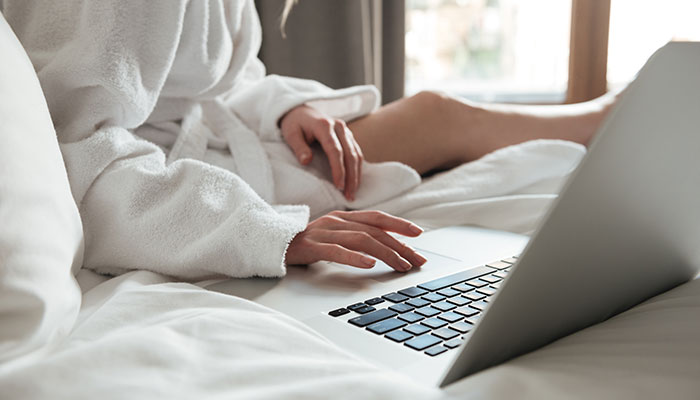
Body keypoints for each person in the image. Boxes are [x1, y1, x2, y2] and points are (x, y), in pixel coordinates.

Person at [1, 0, 617, 279]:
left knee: (435, 116)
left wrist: (284, 106)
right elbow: (74, 160)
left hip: (225, 144)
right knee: (437, 117)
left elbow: (225, 78)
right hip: (178, 186)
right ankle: (605, 120)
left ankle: (606, 120)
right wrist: (267, 231)